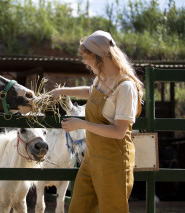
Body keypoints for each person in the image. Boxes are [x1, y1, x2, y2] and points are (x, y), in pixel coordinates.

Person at [49, 30, 143, 213]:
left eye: (87, 57)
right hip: (92, 158)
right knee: (78, 208)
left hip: (114, 162)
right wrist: (62, 91)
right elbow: (90, 92)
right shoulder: (101, 80)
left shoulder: (125, 87)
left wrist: (82, 124)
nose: (85, 62)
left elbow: (119, 132)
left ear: (100, 58)